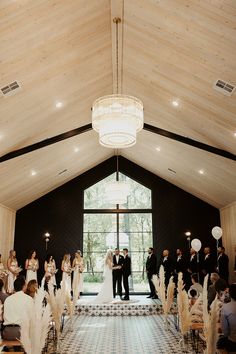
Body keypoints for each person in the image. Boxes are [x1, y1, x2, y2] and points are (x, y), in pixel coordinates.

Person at [3, 276, 34, 340]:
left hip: (7, 332)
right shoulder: (28, 299)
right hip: (21, 332)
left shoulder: (7, 299)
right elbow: (32, 317)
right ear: (24, 286)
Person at [217, 283, 236, 353]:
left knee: (218, 341)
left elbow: (225, 332)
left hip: (233, 343)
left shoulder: (225, 307)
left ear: (230, 294)